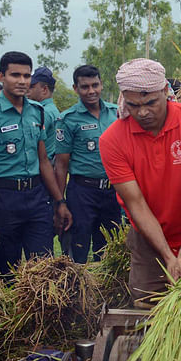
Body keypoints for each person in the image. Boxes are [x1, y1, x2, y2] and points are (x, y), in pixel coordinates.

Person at [99, 58, 181, 311]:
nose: (143, 112)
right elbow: (135, 203)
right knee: (148, 311)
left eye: (151, 103)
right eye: (134, 105)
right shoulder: (112, 140)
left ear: (165, 92)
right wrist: (170, 257)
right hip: (149, 241)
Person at [0, 52, 71, 275]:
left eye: (27, 76)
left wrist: (59, 201)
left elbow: (44, 161)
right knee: (6, 272)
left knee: (45, 271)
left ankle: (44, 311)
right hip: (3, 200)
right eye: (15, 75)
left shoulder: (37, 112)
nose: (22, 81)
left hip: (36, 198)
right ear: (1, 76)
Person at [54, 65, 121, 263]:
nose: (91, 91)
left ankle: (106, 293)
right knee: (79, 248)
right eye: (85, 87)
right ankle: (77, 292)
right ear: (76, 88)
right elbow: (61, 164)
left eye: (95, 85)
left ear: (101, 85)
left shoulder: (116, 114)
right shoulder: (67, 119)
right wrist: (60, 202)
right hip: (82, 192)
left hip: (112, 191)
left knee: (110, 249)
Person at [28, 66, 60, 161]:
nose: (27, 90)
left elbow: (31, 143)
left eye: (32, 87)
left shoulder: (43, 112)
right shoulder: (51, 109)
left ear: (44, 89)